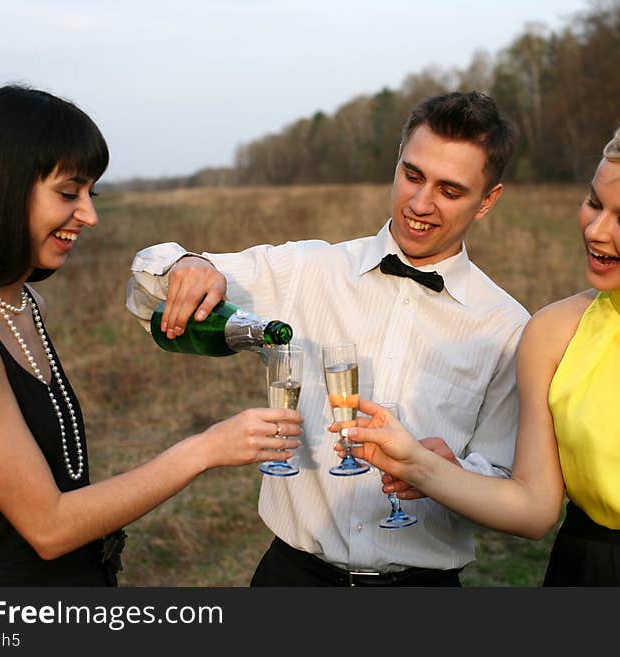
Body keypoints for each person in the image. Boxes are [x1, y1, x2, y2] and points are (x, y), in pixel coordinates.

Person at [334, 98, 620, 586]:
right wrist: (419, 465)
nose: (595, 230)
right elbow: (534, 510)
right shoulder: (551, 332)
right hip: (590, 576)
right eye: (595, 202)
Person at [126, 91, 529, 586]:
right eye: (412, 175)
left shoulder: (508, 326)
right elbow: (150, 290)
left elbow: (509, 484)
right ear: (397, 163)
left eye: (450, 190)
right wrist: (186, 263)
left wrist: (449, 475)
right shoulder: (307, 269)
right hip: (291, 579)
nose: (420, 204)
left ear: (487, 200)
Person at [0, 85, 302, 587]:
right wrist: (205, 449)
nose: (89, 215)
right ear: (1, 187)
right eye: (69, 193)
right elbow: (47, 526)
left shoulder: (24, 303)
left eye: (92, 194)